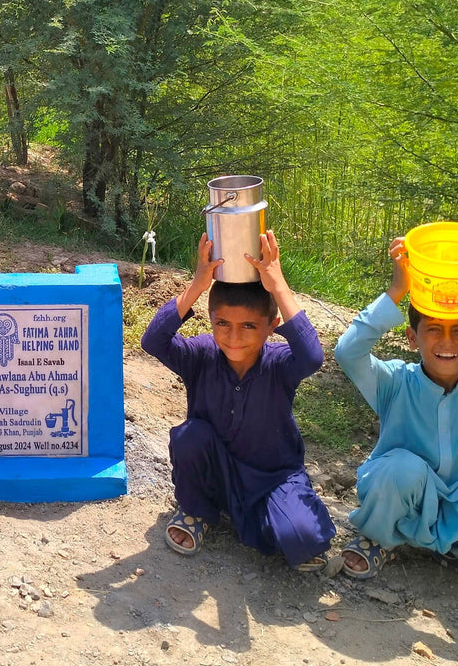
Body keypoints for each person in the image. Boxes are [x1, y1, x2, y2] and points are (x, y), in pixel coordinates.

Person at [140, 231, 334, 570]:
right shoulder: (201, 354)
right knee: (191, 437)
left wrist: (278, 286)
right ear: (211, 320)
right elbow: (153, 340)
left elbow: (313, 357)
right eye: (222, 324)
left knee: (303, 538)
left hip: (272, 476)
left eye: (248, 326)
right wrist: (198, 284)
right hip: (215, 471)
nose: (233, 337)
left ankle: (262, 512)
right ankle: (196, 510)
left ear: (272, 325)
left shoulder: (279, 363)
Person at [334, 236, 458, 596]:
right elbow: (348, 352)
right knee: (402, 469)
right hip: (404, 496)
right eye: (434, 330)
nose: (446, 342)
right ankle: (379, 538)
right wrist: (397, 290)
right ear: (413, 338)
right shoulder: (395, 381)